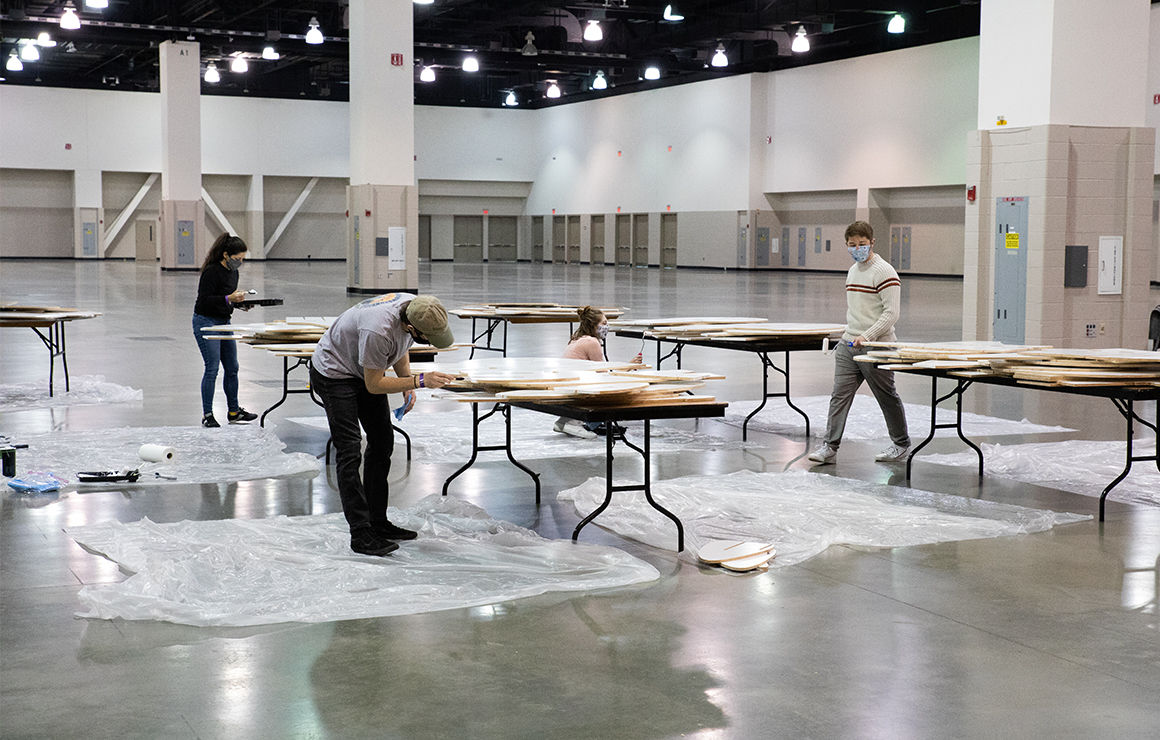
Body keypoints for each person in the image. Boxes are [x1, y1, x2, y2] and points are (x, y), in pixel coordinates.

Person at [310, 293, 457, 557]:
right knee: (349, 449)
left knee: (382, 442)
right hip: (335, 372)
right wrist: (419, 381)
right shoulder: (377, 329)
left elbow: (399, 346)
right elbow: (374, 384)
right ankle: (361, 533)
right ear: (412, 326)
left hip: (363, 368)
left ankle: (378, 522)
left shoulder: (417, 308)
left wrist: (406, 380)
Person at [809, 221, 910, 464]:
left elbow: (891, 313)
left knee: (886, 396)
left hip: (877, 347)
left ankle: (901, 443)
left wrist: (867, 336)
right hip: (848, 344)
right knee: (839, 396)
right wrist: (851, 335)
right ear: (847, 246)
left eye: (862, 244)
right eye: (852, 245)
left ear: (872, 243)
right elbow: (857, 310)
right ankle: (829, 447)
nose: (857, 249)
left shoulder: (885, 272)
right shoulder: (853, 270)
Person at [192, 234, 258, 428]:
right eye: (238, 259)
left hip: (224, 322)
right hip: (206, 322)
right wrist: (229, 299)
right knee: (212, 368)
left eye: (243, 259)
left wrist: (239, 304)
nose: (240, 262)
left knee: (233, 367)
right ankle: (208, 414)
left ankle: (234, 412)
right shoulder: (211, 272)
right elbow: (204, 300)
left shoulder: (233, 273)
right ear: (226, 254)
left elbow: (226, 299)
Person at [552, 306, 641, 439]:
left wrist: (628, 366)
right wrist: (628, 368)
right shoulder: (591, 342)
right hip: (573, 388)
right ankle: (575, 421)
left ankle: (565, 420)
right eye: (604, 323)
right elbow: (604, 375)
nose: (607, 327)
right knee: (611, 391)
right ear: (593, 325)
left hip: (566, 384)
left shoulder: (579, 339)